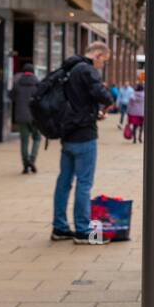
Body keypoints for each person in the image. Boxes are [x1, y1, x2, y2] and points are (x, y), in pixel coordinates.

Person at [51, 41, 116, 243]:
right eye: (103, 61)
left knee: (64, 181)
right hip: (84, 135)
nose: (102, 66)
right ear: (97, 55)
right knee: (84, 183)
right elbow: (104, 96)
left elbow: (78, 101)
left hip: (68, 133)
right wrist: (107, 95)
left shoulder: (69, 69)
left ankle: (60, 228)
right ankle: (83, 230)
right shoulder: (87, 70)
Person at [8, 62, 41, 174]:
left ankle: (25, 164)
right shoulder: (38, 84)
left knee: (24, 141)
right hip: (35, 117)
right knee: (37, 138)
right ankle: (32, 160)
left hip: (21, 117)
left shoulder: (18, 83)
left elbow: (11, 96)